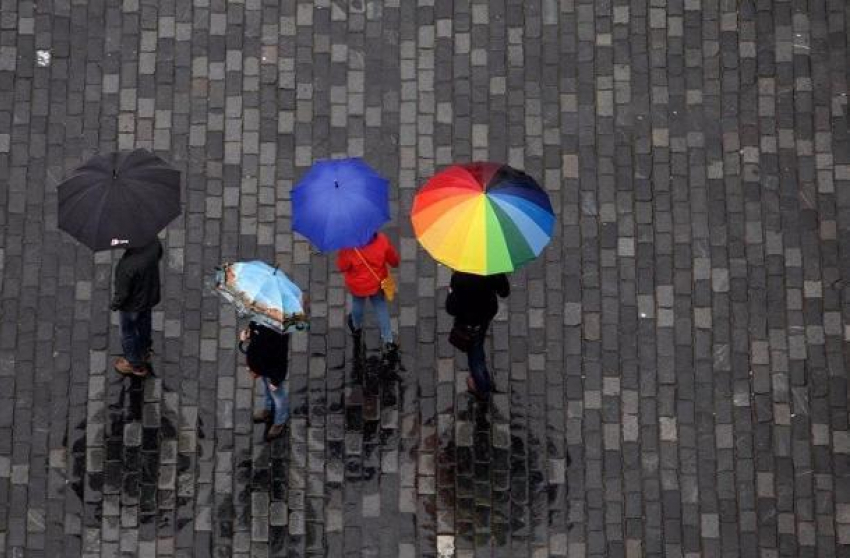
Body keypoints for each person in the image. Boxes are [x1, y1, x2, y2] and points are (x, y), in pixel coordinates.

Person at [446, 271, 510, 400]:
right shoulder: (493, 271)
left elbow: (451, 308)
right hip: (485, 315)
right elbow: (504, 292)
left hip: (468, 321)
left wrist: (450, 292)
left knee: (475, 357)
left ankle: (482, 387)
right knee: (478, 343)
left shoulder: (459, 277)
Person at [336, 232, 400, 355]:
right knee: (381, 309)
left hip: (358, 286)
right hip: (377, 283)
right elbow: (394, 261)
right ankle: (388, 340)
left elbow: (342, 266)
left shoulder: (349, 246)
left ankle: (356, 327)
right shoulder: (382, 241)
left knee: (357, 305)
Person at [111, 239, 163, 377]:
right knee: (144, 324)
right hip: (148, 296)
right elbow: (159, 254)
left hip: (131, 306)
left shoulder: (126, 266)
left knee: (128, 332)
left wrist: (114, 305)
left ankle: (135, 364)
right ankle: (145, 352)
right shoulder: (153, 244)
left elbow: (122, 295)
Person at [239, 321, 290, 441]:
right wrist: (247, 335)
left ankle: (280, 421)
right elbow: (254, 332)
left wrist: (276, 380)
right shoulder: (258, 317)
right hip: (260, 366)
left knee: (278, 396)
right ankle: (268, 408)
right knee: (266, 389)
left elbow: (281, 360)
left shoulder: (278, 333)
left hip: (271, 371)